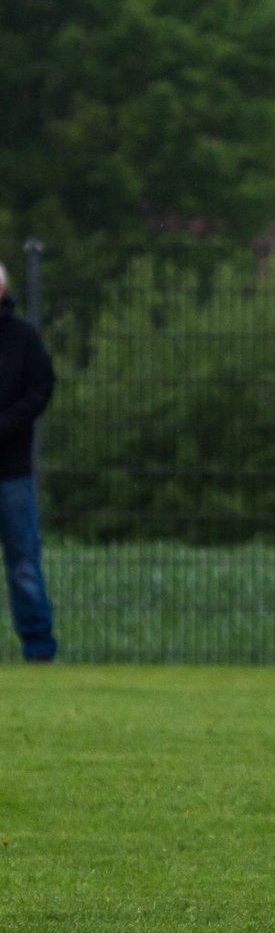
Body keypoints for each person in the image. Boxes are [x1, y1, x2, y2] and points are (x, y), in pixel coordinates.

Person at [0, 261, 57, 662]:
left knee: (23, 564)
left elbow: (43, 386)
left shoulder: (23, 338)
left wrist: (7, 424)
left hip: (12, 471)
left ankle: (38, 648)